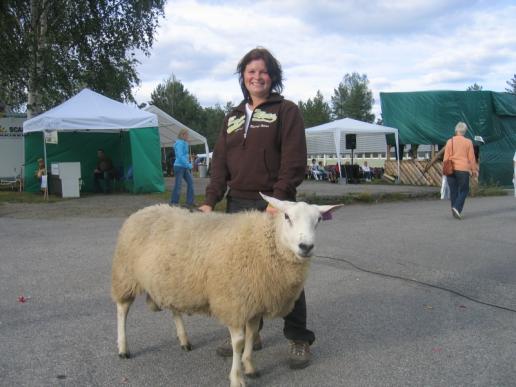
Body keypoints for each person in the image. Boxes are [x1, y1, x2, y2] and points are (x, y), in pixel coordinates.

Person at [198, 47, 313, 369]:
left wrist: (278, 201)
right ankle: (252, 335)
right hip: (238, 203)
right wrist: (210, 200)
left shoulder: (286, 111)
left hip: (276, 206)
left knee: (286, 274)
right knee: (242, 277)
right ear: (243, 77)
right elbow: (220, 163)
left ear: (272, 76)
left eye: (263, 72)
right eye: (251, 72)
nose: (257, 77)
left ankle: (299, 338)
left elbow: (293, 161)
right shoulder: (232, 118)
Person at [443, 122, 478, 219]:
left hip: (451, 169)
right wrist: (473, 170)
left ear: (456, 130)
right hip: (462, 169)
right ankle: (456, 208)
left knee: (453, 191)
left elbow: (446, 158)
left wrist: (445, 170)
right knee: (464, 190)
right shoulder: (468, 142)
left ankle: (455, 210)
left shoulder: (450, 141)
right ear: (465, 131)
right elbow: (471, 158)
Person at [170, 129, 195, 207]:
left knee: (190, 182)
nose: (188, 136)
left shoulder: (184, 143)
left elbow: (184, 155)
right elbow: (180, 156)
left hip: (184, 166)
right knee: (178, 185)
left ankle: (190, 202)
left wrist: (187, 164)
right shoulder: (179, 143)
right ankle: (174, 202)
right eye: (187, 134)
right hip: (179, 166)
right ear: (182, 135)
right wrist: (188, 165)